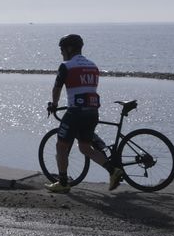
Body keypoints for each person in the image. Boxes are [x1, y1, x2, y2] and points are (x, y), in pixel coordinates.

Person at [45, 33, 123, 193]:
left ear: (69, 48)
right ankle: (113, 170)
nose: (61, 52)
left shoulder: (66, 66)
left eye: (61, 49)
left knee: (61, 146)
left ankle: (63, 182)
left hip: (76, 112)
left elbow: (57, 88)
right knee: (85, 147)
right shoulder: (93, 66)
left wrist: (54, 104)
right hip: (92, 112)